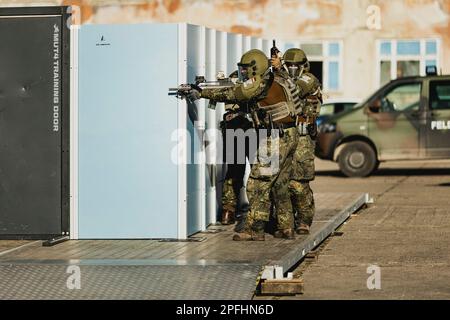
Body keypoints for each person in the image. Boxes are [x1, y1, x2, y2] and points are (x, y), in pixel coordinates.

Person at [273, 48, 322, 235]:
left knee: (299, 182)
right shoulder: (283, 76)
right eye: (289, 66)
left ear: (304, 66)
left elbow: (295, 89)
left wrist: (280, 71)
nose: (292, 69)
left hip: (303, 137)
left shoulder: (309, 79)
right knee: (281, 181)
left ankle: (304, 220)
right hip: (286, 135)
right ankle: (285, 222)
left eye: (296, 66)